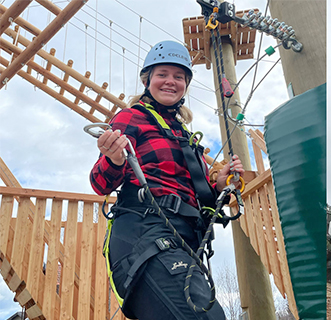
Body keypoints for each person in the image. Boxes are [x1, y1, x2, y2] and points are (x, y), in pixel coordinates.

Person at [90, 40, 244, 320]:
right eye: (162, 74)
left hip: (183, 241)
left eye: (179, 77)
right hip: (145, 235)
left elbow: (193, 198)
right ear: (148, 81)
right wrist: (114, 159)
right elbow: (100, 183)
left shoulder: (182, 133)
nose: (170, 82)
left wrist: (218, 186)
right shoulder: (132, 118)